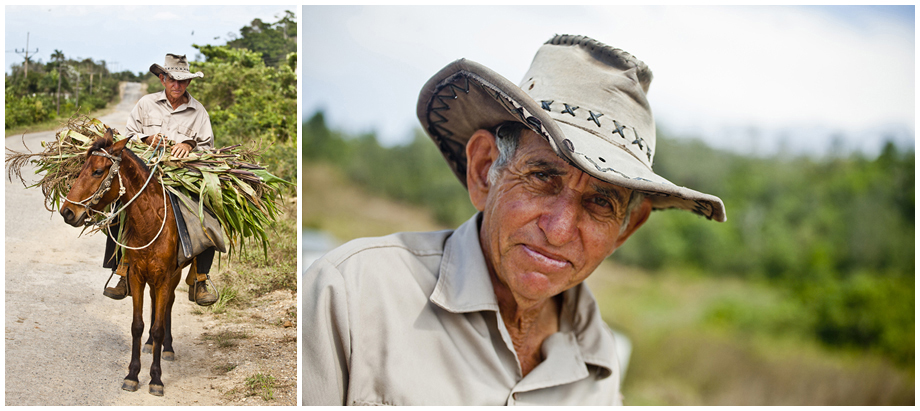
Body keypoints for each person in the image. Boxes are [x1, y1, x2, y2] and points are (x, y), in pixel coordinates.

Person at [302, 34, 726, 405]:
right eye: (542, 177)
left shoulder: (601, 365)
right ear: (485, 169)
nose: (558, 230)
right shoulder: (350, 295)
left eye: (600, 203)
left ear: (625, 230)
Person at [102, 53, 218, 306]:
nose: (177, 86)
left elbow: (208, 147)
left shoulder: (198, 111)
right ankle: (121, 271)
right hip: (144, 174)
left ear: (188, 83)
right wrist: (146, 139)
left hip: (181, 177)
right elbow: (127, 135)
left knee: (208, 215)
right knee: (116, 212)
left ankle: (200, 277)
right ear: (162, 79)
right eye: (172, 80)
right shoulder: (145, 103)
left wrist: (188, 145)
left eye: (183, 81)